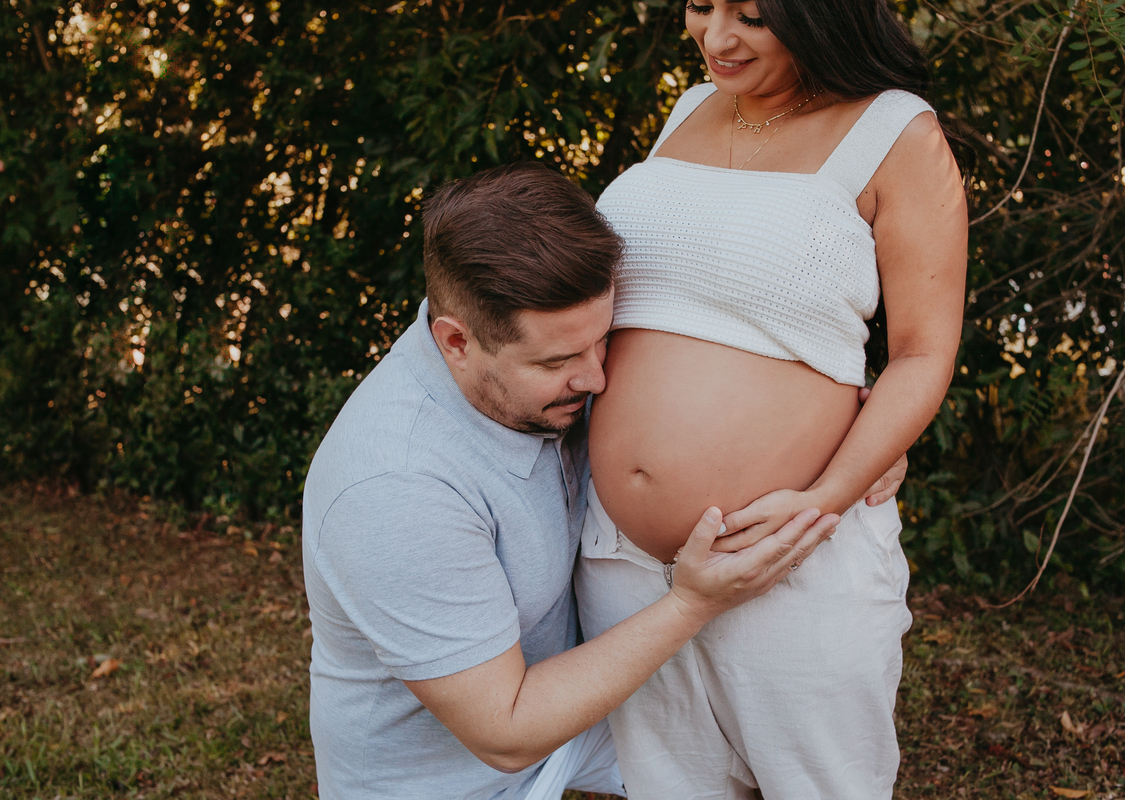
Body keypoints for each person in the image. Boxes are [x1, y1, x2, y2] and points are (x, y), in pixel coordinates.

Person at [300, 163, 845, 800]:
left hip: (566, 718)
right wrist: (693, 603)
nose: (596, 381)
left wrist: (852, 432)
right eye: (557, 361)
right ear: (456, 342)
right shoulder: (393, 489)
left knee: (758, 760)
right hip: (465, 772)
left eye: (603, 340)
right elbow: (504, 731)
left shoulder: (524, 370)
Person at [575, 1, 971, 798]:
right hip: (626, 560)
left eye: (751, 16)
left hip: (794, 553)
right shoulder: (689, 107)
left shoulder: (897, 132)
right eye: (699, 6)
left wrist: (826, 496)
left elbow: (925, 353)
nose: (715, 38)